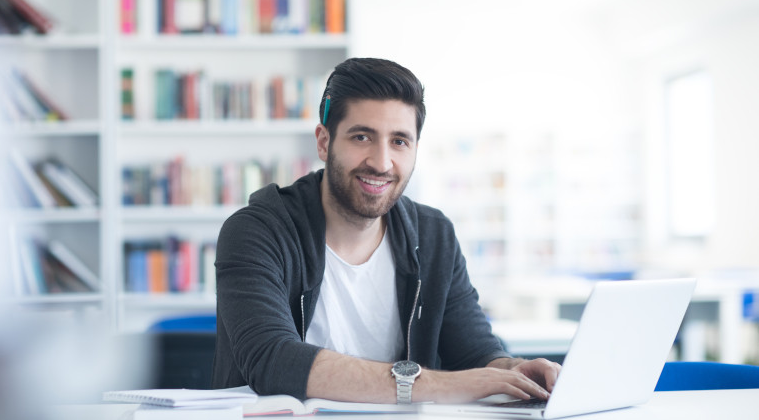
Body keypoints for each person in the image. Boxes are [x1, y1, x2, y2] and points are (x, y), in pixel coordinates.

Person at [211, 57, 560, 404]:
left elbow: (475, 354)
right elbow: (273, 361)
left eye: (399, 142)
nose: (381, 162)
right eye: (362, 137)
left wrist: (512, 370)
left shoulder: (433, 236)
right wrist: (435, 386)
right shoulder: (257, 232)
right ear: (323, 142)